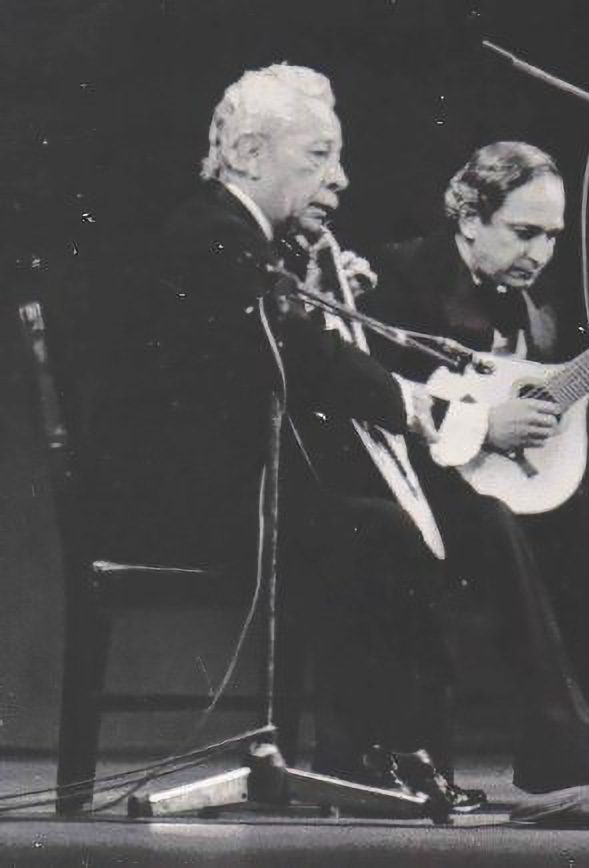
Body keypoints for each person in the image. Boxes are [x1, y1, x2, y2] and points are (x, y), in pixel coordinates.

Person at [88, 63, 474, 817]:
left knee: (365, 521)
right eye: (319, 156)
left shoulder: (235, 235)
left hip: (215, 491)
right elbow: (294, 351)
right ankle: (380, 754)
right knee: (377, 528)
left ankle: (373, 752)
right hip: (180, 509)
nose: (341, 178)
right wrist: (404, 399)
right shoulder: (213, 234)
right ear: (249, 153)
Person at [360, 141, 589, 795]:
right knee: (492, 522)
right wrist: (481, 428)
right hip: (422, 489)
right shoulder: (403, 280)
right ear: (470, 218)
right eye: (524, 232)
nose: (540, 252)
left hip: (512, 495)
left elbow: (563, 422)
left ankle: (582, 746)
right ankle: (562, 736)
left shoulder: (543, 305)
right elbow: (379, 403)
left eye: (552, 236)